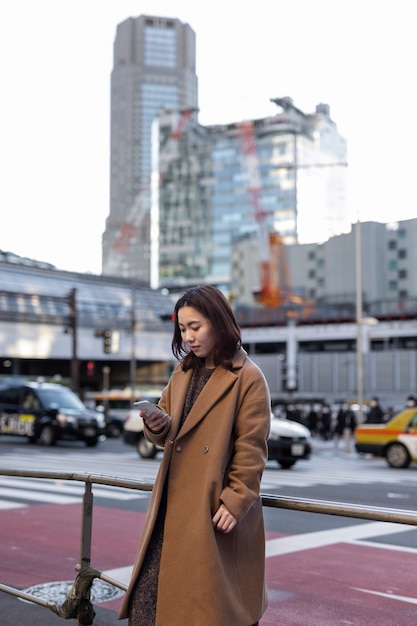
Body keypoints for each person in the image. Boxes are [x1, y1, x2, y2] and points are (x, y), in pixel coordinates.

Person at [118, 285, 271, 626]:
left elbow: (252, 448)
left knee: (209, 609)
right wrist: (158, 423)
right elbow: (166, 432)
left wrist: (235, 500)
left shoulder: (248, 378)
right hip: (172, 508)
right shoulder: (183, 372)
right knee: (147, 606)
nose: (188, 337)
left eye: (196, 327)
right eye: (183, 329)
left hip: (212, 508)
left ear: (219, 322)